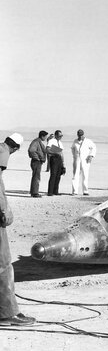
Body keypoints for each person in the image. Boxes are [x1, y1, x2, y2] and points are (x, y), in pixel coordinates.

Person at [0, 133, 36, 326]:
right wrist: (5, 211)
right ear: (15, 148)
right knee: (4, 265)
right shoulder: (2, 152)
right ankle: (7, 314)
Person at [71, 129, 97, 196]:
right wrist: (74, 156)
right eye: (79, 135)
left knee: (85, 175)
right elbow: (72, 148)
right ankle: (75, 191)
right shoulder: (75, 141)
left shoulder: (88, 141)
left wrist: (91, 156)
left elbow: (93, 148)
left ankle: (85, 191)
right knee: (75, 175)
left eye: (81, 135)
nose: (80, 136)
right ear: (77, 135)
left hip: (85, 160)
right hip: (77, 160)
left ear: (83, 134)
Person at [27, 130, 48, 198]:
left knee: (36, 176)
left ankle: (34, 191)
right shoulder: (36, 142)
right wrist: (37, 158)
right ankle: (35, 193)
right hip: (36, 162)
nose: (45, 138)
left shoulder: (38, 142)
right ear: (42, 136)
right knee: (36, 177)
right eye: (45, 137)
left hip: (37, 162)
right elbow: (31, 150)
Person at [46, 130, 65, 196]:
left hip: (59, 159)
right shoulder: (51, 141)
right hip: (54, 158)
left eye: (61, 136)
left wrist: (63, 163)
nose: (60, 137)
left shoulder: (60, 142)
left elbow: (61, 153)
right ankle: (50, 191)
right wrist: (55, 152)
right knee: (53, 175)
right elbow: (47, 149)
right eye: (59, 136)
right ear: (56, 135)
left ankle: (55, 191)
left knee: (58, 175)